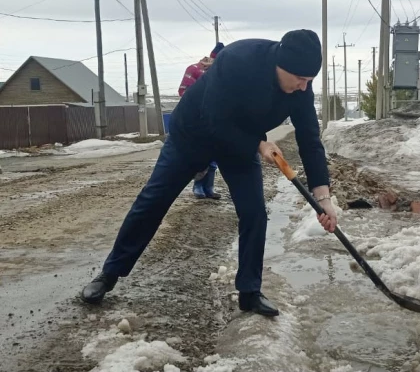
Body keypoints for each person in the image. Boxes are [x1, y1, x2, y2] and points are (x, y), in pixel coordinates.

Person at [80, 29, 337, 317]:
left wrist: (323, 198)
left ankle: (249, 292)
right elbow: (214, 120)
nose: (304, 87)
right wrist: (259, 144)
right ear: (281, 64)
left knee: (254, 214)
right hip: (193, 134)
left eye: (309, 81)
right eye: (300, 79)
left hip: (240, 144)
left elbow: (310, 141)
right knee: (153, 201)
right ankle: (109, 274)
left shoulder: (301, 87)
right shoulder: (237, 60)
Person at [178, 42, 225, 200]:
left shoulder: (222, 72)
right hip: (197, 118)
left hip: (215, 120)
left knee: (213, 157)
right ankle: (198, 187)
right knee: (201, 156)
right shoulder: (194, 69)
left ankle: (209, 188)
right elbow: (183, 91)